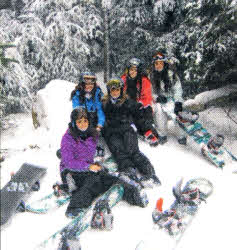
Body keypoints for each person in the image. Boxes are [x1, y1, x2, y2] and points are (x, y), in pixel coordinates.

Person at [60, 107, 147, 217]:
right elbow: (68, 162)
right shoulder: (68, 138)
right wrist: (88, 166)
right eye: (79, 122)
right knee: (92, 182)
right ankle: (74, 207)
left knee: (108, 176)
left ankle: (133, 194)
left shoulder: (91, 134)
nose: (83, 124)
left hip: (87, 167)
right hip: (70, 171)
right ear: (74, 123)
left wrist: (94, 164)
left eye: (85, 121)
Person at [102, 77, 161, 186]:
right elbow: (98, 119)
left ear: (121, 90)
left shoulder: (128, 102)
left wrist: (148, 130)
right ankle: (129, 171)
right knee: (120, 152)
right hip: (112, 132)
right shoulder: (105, 104)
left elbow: (139, 118)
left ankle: (149, 172)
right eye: (112, 90)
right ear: (109, 91)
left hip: (127, 129)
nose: (115, 92)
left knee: (133, 151)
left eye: (117, 89)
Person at [150, 49, 187, 145]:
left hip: (172, 99)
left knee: (177, 112)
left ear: (164, 64)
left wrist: (178, 102)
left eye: (160, 63)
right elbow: (150, 92)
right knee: (158, 109)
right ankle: (162, 134)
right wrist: (157, 98)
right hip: (161, 101)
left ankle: (181, 135)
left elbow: (178, 89)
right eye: (156, 63)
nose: (158, 65)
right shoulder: (152, 76)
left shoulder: (172, 75)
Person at [121, 58, 159, 146]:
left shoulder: (144, 81)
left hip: (141, 105)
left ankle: (148, 132)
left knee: (144, 114)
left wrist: (140, 103)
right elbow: (118, 93)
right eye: (131, 69)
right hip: (127, 105)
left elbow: (147, 97)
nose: (132, 72)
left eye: (135, 70)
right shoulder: (123, 79)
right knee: (125, 116)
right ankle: (131, 131)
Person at [70, 71, 105, 156]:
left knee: (98, 132)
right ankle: (75, 147)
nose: (89, 86)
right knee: (77, 130)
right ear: (82, 84)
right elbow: (77, 111)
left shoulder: (97, 93)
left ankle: (97, 148)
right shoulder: (77, 94)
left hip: (94, 118)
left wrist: (100, 124)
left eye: (91, 84)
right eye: (87, 83)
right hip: (83, 117)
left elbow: (100, 110)